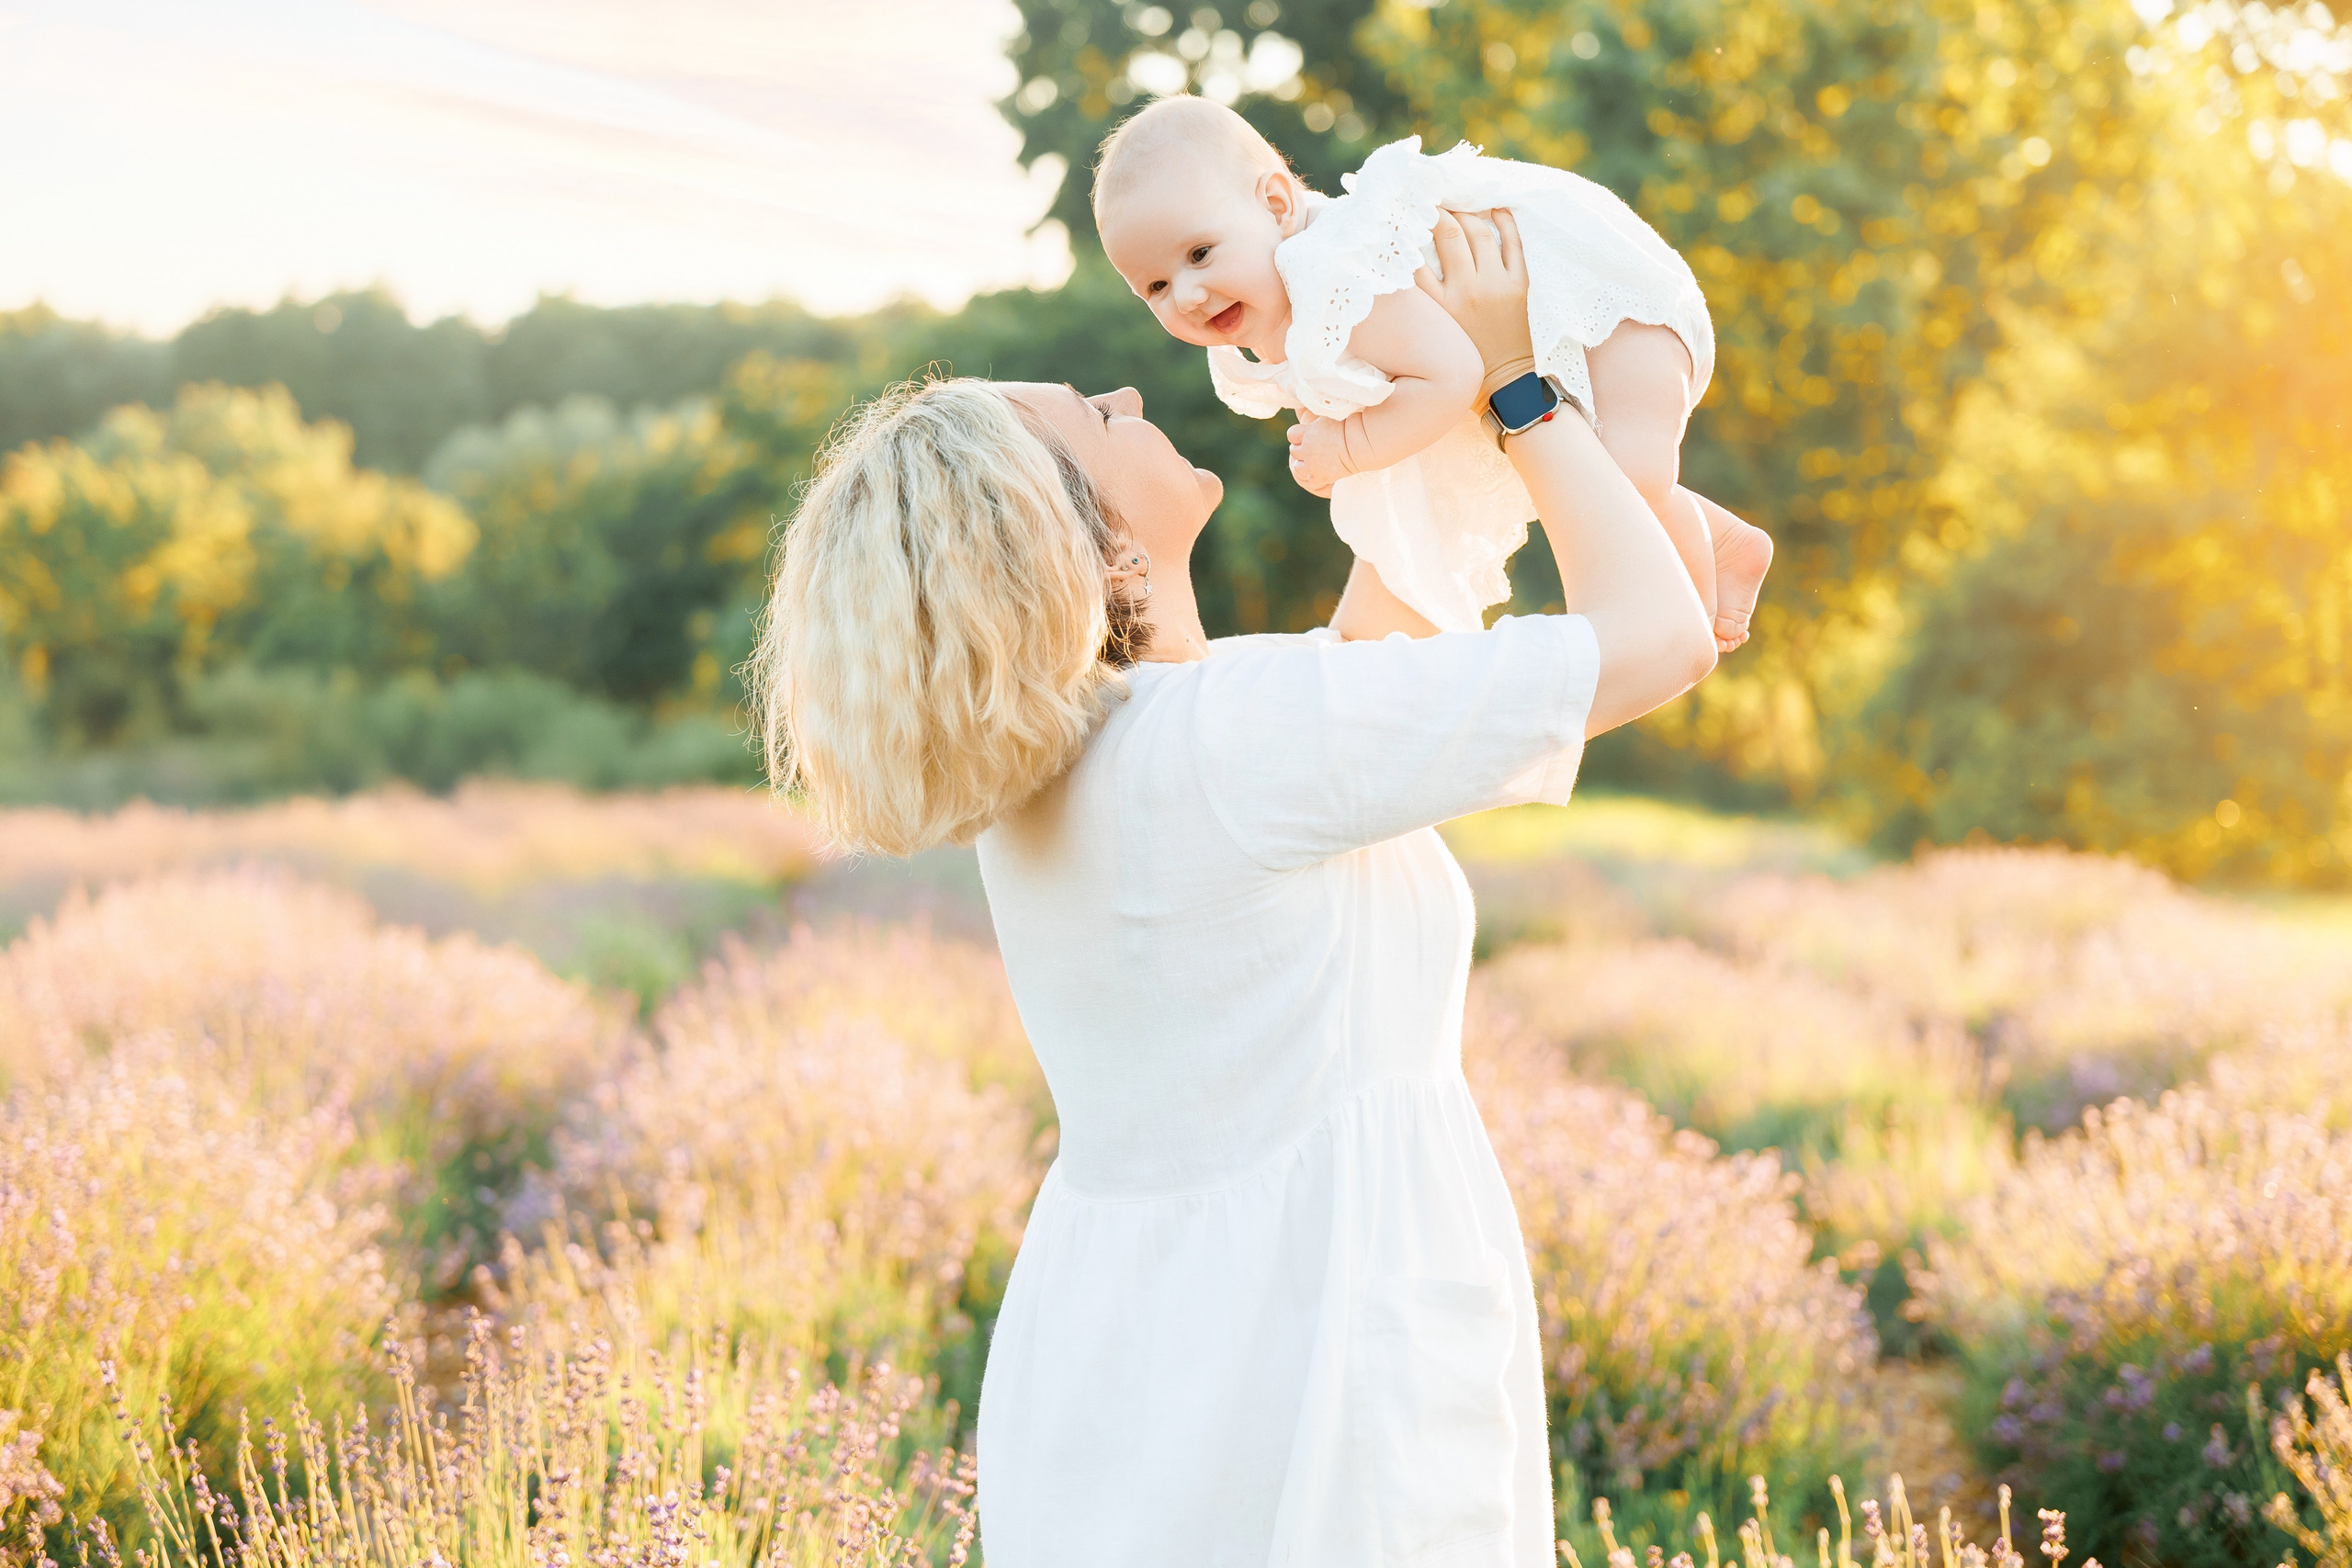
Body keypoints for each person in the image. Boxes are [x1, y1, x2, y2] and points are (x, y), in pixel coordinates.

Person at [749, 209, 1718, 1564]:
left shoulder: (1093, 759)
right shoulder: (1236, 738)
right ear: (1083, 533)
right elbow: (1662, 636)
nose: (1135, 388)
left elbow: (1404, 611)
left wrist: (1428, 383)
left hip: (1131, 1349)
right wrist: (1517, 387)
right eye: (1098, 410)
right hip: (1319, 1344)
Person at [1092, 93, 1772, 650]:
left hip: (1608, 309)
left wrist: (1352, 449)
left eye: (1200, 253)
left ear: (1274, 203)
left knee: (1633, 479)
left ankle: (1691, 615)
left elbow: (1451, 375)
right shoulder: (1296, 301)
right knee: (1596, 474)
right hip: (1547, 336)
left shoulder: (1335, 271)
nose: (1184, 295)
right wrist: (1350, 447)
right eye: (1153, 285)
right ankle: (1716, 541)